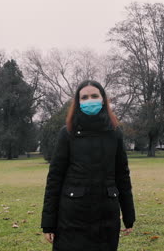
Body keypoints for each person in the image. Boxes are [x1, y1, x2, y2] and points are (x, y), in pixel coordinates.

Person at [41, 80, 136, 251]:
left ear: (103, 99)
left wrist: (129, 216)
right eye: (84, 97)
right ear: (78, 102)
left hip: (106, 215)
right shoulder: (68, 133)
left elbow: (122, 176)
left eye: (94, 96)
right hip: (71, 216)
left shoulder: (115, 133)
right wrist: (48, 223)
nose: (89, 100)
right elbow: (55, 179)